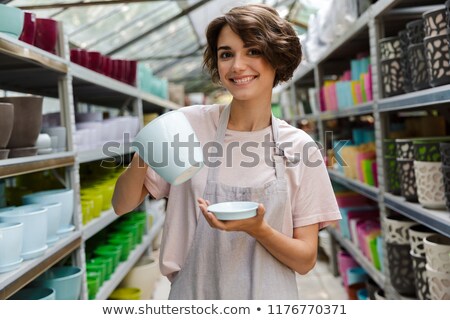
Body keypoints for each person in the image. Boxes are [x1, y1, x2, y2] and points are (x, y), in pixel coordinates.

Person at [112, 4, 341, 300]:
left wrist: (259, 229)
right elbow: (121, 204)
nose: (237, 66)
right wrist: (145, 151)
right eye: (226, 54)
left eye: (253, 51)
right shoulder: (189, 125)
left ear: (278, 59)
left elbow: (306, 259)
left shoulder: (299, 147)